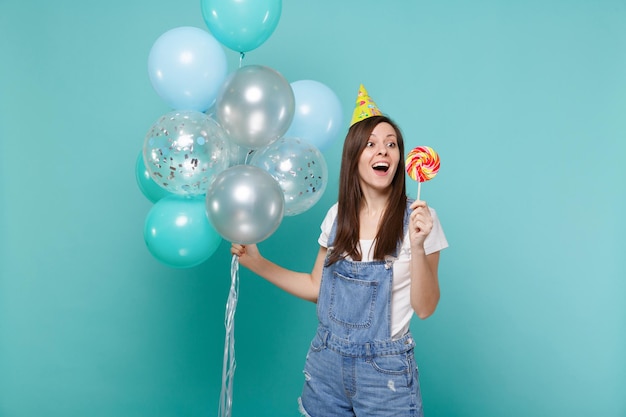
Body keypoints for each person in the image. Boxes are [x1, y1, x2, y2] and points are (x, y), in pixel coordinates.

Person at [231, 85, 448, 416]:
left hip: (385, 373)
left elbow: (426, 307)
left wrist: (417, 247)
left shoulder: (420, 220)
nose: (383, 152)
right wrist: (256, 262)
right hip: (326, 364)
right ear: (354, 156)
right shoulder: (337, 217)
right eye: (371, 144)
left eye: (392, 144)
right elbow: (317, 287)